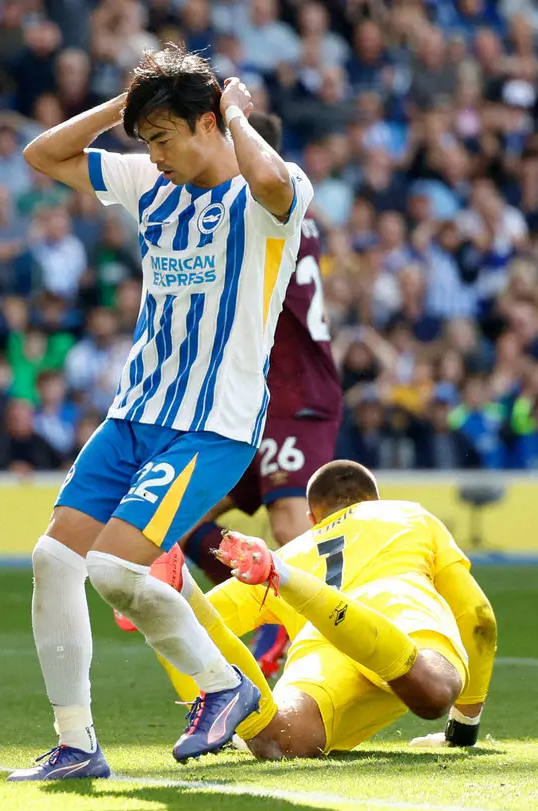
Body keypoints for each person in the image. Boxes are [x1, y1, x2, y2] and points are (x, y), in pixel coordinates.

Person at [9, 46, 315, 781]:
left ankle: (223, 685)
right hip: (134, 414)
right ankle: (76, 743)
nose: (154, 154)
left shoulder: (268, 195)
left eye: (164, 136)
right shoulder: (150, 182)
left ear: (209, 122)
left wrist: (236, 112)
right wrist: (126, 107)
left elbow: (272, 181)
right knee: (53, 560)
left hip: (212, 424)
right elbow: (43, 154)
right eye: (145, 140)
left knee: (114, 568)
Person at [114, 112, 343, 682]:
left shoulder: (268, 206)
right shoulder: (247, 207)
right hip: (242, 399)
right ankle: (267, 612)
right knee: (179, 520)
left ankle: (320, 632)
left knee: (290, 523)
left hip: (293, 393)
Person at [155, 460, 497, 758]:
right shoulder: (408, 515)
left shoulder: (292, 550)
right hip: (397, 611)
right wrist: (464, 724)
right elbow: (478, 616)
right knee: (434, 693)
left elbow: (191, 628)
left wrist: (159, 609)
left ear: (312, 517)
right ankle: (292, 582)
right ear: (374, 501)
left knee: (279, 741)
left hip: (318, 647)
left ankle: (186, 590)